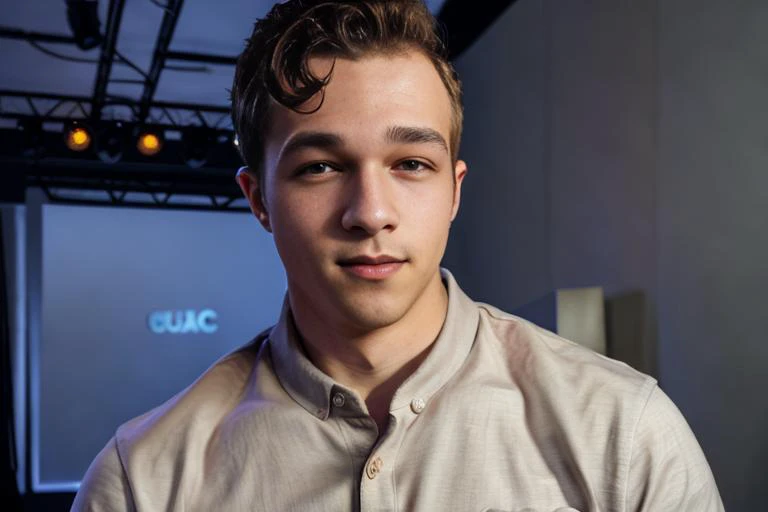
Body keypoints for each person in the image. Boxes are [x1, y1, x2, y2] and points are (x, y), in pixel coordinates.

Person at [72, 1, 723, 510]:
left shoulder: (624, 433)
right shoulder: (142, 483)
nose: (371, 212)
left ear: (453, 191)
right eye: (321, 167)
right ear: (258, 198)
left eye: (411, 163)